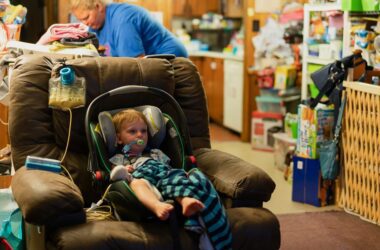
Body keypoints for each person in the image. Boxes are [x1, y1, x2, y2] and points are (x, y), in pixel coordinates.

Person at [109, 109, 205, 221]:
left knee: (175, 178)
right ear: (119, 138)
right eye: (132, 131)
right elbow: (114, 173)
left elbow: (168, 168)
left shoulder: (156, 152)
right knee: (137, 184)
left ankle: (185, 201)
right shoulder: (120, 158)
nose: (140, 135)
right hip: (144, 181)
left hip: (163, 178)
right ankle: (156, 206)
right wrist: (124, 170)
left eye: (144, 131)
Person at [70, 0, 188, 58]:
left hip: (171, 57)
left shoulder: (122, 20)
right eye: (81, 20)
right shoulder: (94, 27)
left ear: (98, 6)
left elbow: (136, 64)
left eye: (86, 17)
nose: (85, 23)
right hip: (149, 62)